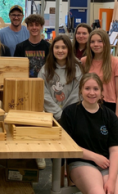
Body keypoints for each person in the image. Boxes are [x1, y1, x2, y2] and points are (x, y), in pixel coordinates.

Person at [61, 73, 118, 194]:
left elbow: (115, 150)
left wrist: (111, 180)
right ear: (81, 90)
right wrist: (94, 157)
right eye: (87, 88)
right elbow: (67, 146)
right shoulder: (69, 113)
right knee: (98, 192)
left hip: (107, 164)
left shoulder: (109, 116)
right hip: (81, 162)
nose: (92, 93)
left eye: (96, 89)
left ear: (102, 92)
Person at [37, 35, 82, 172]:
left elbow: (77, 92)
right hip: (50, 115)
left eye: (63, 47)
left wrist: (65, 113)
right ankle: (56, 169)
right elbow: (42, 92)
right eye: (57, 47)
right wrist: (57, 113)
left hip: (70, 115)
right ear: (52, 49)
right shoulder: (45, 69)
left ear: (69, 49)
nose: (60, 50)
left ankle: (69, 171)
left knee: (68, 145)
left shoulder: (76, 69)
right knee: (54, 146)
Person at [81, 29, 118, 125]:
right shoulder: (84, 62)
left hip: (110, 107)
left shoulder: (116, 64)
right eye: (92, 42)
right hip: (90, 104)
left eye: (100, 41)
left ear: (106, 43)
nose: (96, 44)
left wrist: (116, 120)